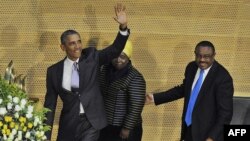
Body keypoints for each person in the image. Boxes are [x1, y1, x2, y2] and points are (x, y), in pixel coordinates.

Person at [43, 3, 129, 141]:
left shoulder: (92, 58)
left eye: (79, 42)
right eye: (72, 43)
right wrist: (45, 135)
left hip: (92, 122)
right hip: (69, 124)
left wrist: (123, 27)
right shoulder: (53, 71)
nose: (77, 46)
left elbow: (114, 49)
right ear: (62, 47)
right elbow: (49, 105)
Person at [146, 41, 234, 141]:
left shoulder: (223, 77)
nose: (202, 60)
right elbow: (184, 89)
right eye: (199, 56)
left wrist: (212, 137)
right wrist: (154, 98)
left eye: (206, 56)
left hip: (207, 134)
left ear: (214, 55)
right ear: (195, 54)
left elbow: (225, 114)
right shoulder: (191, 67)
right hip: (188, 128)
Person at [98, 40, 146, 141]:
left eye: (123, 56)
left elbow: (136, 105)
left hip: (125, 129)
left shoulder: (135, 77)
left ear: (128, 58)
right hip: (106, 125)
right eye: (115, 55)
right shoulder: (104, 69)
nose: (118, 59)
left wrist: (127, 128)